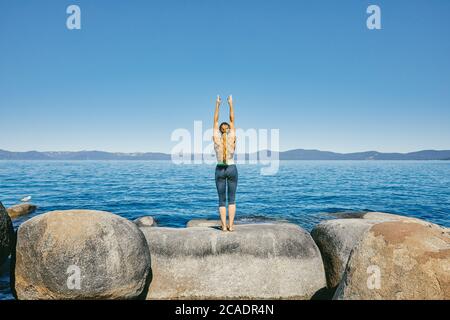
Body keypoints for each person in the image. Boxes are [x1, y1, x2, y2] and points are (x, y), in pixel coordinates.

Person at [213, 95, 238, 232]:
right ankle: (231, 226)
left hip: (220, 169)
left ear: (219, 131)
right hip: (232, 168)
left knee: (222, 200)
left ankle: (223, 226)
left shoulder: (216, 137)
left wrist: (217, 104)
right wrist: (230, 104)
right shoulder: (232, 137)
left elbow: (215, 120)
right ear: (228, 130)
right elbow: (232, 119)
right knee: (232, 199)